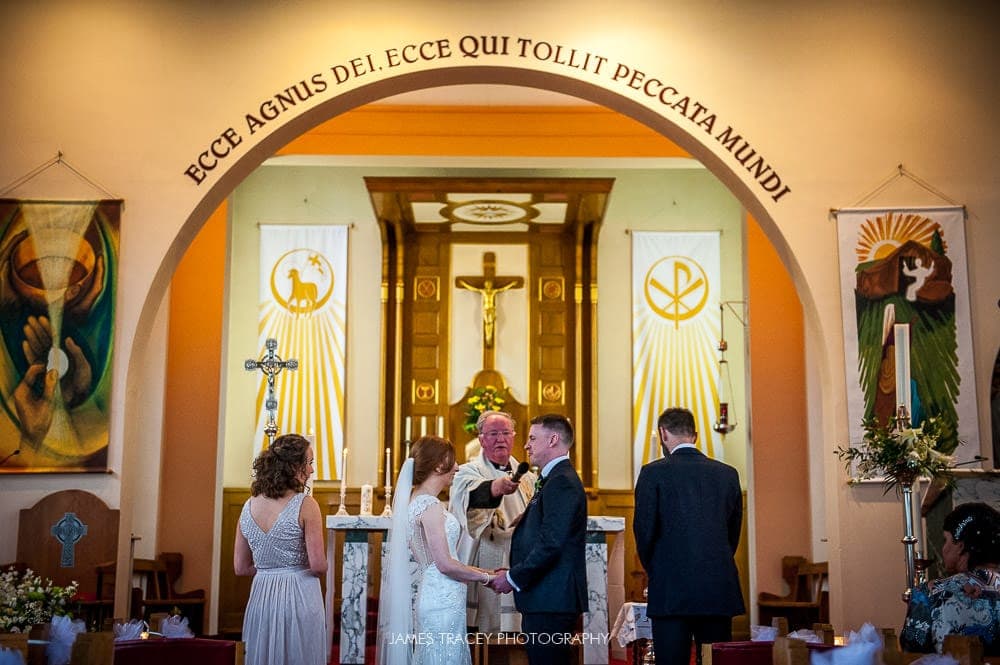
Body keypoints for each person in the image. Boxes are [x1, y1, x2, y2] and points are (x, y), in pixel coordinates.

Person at [633, 407, 745, 665]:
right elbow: (732, 533)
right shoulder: (728, 474)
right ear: (694, 435)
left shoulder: (653, 473)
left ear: (662, 433)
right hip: (717, 587)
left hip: (670, 589)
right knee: (714, 660)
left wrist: (657, 569)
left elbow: (644, 533)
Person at [379, 435, 498, 665]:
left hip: (436, 593)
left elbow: (443, 560)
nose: (457, 466)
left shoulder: (415, 501)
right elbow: (444, 564)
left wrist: (484, 571)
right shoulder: (430, 506)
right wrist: (487, 577)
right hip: (442, 599)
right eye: (452, 460)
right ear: (437, 465)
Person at [490, 414, 588, 665]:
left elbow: (551, 543)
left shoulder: (562, 482)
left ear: (553, 439)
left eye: (533, 438)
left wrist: (513, 577)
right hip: (545, 596)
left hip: (551, 598)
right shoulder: (553, 479)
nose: (526, 445)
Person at [234, 433, 327, 665]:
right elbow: (317, 566)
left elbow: (241, 567)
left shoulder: (248, 506)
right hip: (299, 595)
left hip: (262, 596)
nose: (312, 471)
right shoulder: (306, 505)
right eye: (310, 463)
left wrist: (271, 571)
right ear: (295, 466)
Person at [449, 410, 535, 633]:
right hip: (483, 556)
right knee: (482, 632)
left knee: (515, 633)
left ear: (514, 437)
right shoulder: (465, 472)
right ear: (480, 439)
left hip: (517, 560)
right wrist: (497, 487)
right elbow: (471, 497)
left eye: (506, 432)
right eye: (493, 433)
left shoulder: (528, 478)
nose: (500, 439)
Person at [901, 502, 1000, 655]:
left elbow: (911, 652)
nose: (943, 548)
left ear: (960, 546)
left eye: (945, 540)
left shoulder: (929, 594)